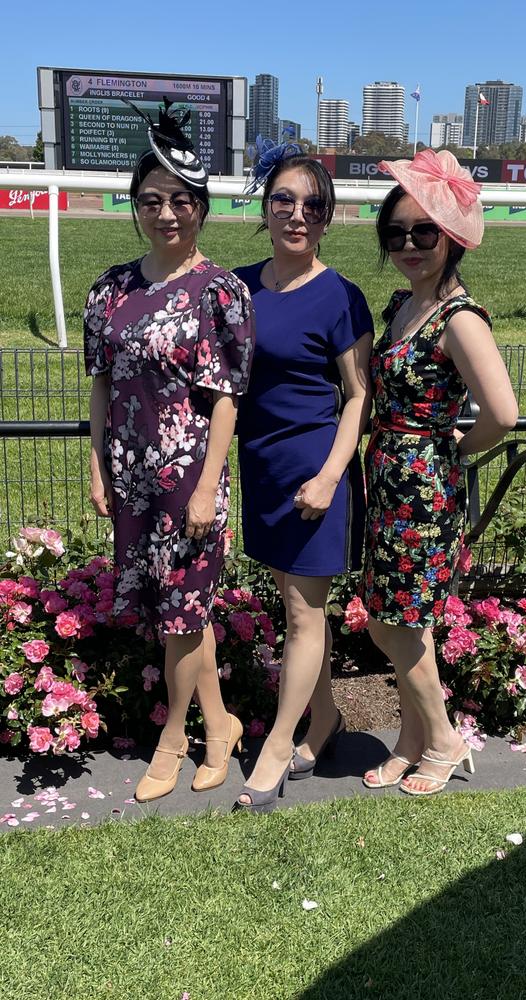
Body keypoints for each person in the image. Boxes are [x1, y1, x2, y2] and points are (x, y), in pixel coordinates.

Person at [84, 100, 255, 802]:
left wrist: (209, 484)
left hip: (188, 475)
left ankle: (172, 739)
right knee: (178, 614)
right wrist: (95, 463)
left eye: (181, 201)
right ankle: (223, 726)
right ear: (134, 206)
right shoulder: (111, 289)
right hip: (130, 477)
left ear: (202, 208)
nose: (167, 214)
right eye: (151, 201)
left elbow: (225, 398)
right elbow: (100, 384)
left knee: (183, 613)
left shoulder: (221, 293)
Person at [361, 149, 518, 796]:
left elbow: (503, 415)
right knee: (393, 616)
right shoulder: (403, 304)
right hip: (389, 479)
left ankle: (445, 740)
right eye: (395, 234)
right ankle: (411, 737)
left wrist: (452, 444)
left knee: (394, 620)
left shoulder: (459, 318)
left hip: (422, 488)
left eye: (423, 232)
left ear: (450, 238)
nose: (408, 245)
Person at [232, 140, 373, 812]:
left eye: (312, 204)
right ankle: (329, 722)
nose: (297, 214)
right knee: (289, 602)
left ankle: (280, 744)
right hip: (262, 471)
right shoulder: (237, 286)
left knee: (300, 612)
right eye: (283, 199)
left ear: (327, 217)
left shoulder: (341, 296)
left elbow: (357, 396)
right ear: (265, 207)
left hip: (317, 473)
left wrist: (329, 475)